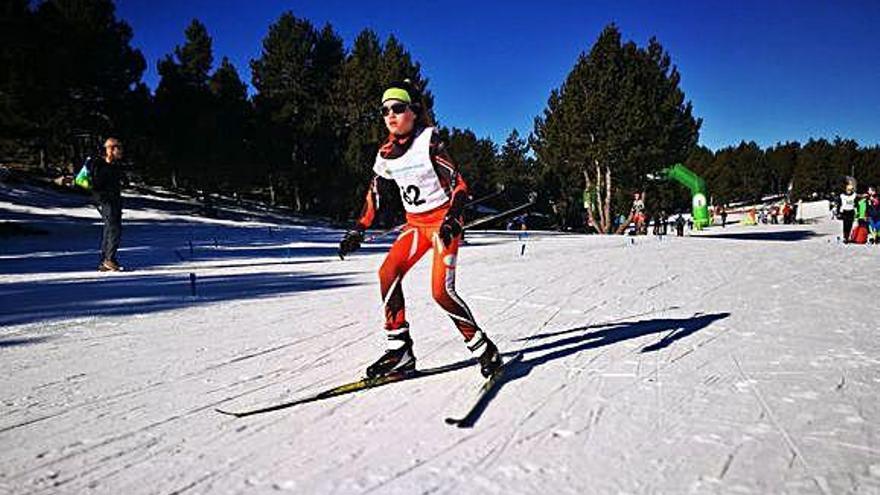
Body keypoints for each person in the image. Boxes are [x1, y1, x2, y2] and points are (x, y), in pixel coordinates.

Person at [338, 81, 502, 379]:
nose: (391, 115)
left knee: (441, 291)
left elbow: (459, 185)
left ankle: (482, 347)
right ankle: (399, 351)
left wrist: (453, 219)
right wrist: (358, 229)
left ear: (412, 112)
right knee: (387, 274)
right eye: (385, 110)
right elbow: (374, 192)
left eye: (398, 108)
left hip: (442, 224)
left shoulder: (429, 141)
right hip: (415, 226)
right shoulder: (386, 152)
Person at [84, 138, 125, 271]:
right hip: (106, 200)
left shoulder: (114, 164)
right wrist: (102, 196)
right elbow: (97, 184)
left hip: (113, 199)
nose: (121, 151)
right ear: (110, 149)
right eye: (118, 147)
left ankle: (106, 260)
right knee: (113, 229)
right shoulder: (100, 164)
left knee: (110, 229)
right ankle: (109, 259)